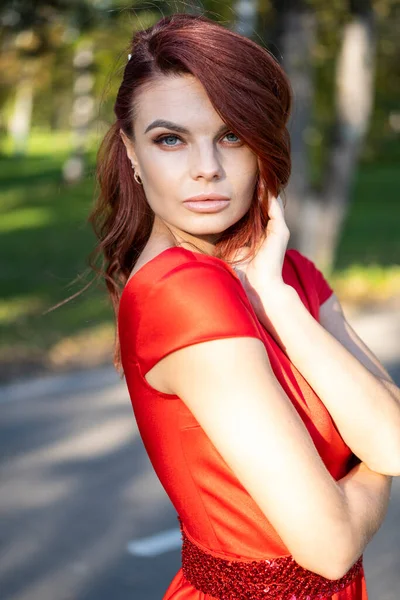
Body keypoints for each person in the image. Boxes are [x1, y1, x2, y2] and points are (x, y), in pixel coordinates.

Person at [89, 13, 400, 600]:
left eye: (231, 135)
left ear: (261, 147)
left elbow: (394, 439)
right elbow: (330, 546)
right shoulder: (180, 295)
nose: (206, 167)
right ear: (131, 150)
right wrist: (374, 459)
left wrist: (278, 300)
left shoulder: (288, 274)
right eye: (170, 139)